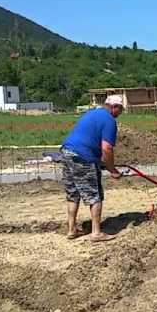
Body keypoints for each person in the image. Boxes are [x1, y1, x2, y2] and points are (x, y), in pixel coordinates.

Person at [61, 95, 124, 242]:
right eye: (120, 110)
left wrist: (101, 163)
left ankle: (71, 229)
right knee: (94, 194)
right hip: (83, 156)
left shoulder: (93, 113)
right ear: (115, 107)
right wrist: (113, 171)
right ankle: (96, 233)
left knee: (73, 193)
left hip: (67, 152)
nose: (120, 113)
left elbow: (89, 138)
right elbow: (107, 148)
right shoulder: (109, 121)